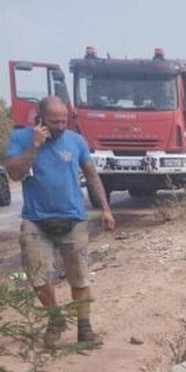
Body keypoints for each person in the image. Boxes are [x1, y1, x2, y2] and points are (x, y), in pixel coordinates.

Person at [4, 96, 115, 348]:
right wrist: (34, 146)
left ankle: (84, 329)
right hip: (36, 221)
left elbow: (91, 175)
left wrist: (106, 209)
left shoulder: (76, 141)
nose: (60, 126)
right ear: (40, 118)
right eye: (54, 121)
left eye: (64, 121)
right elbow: (14, 173)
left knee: (80, 277)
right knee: (39, 277)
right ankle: (55, 321)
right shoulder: (20, 139)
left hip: (73, 219)